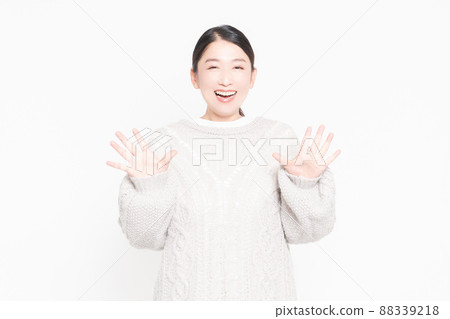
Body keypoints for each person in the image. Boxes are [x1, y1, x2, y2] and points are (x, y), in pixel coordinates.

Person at [106, 24, 341, 300]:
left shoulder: (279, 138)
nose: (226, 80)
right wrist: (149, 187)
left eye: (238, 68)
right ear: (194, 77)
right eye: (213, 67)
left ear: (253, 77)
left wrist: (305, 185)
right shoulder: (166, 142)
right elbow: (143, 237)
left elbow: (307, 232)